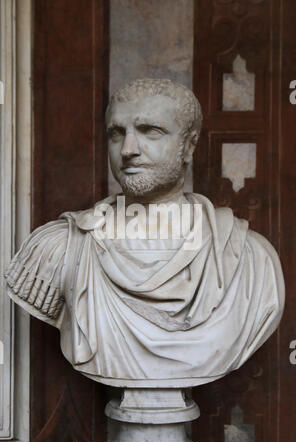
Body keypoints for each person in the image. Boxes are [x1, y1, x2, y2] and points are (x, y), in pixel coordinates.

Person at [5, 79, 285, 387]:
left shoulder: (251, 259)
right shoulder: (58, 247)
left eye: (150, 131)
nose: (128, 150)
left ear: (189, 145)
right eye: (116, 133)